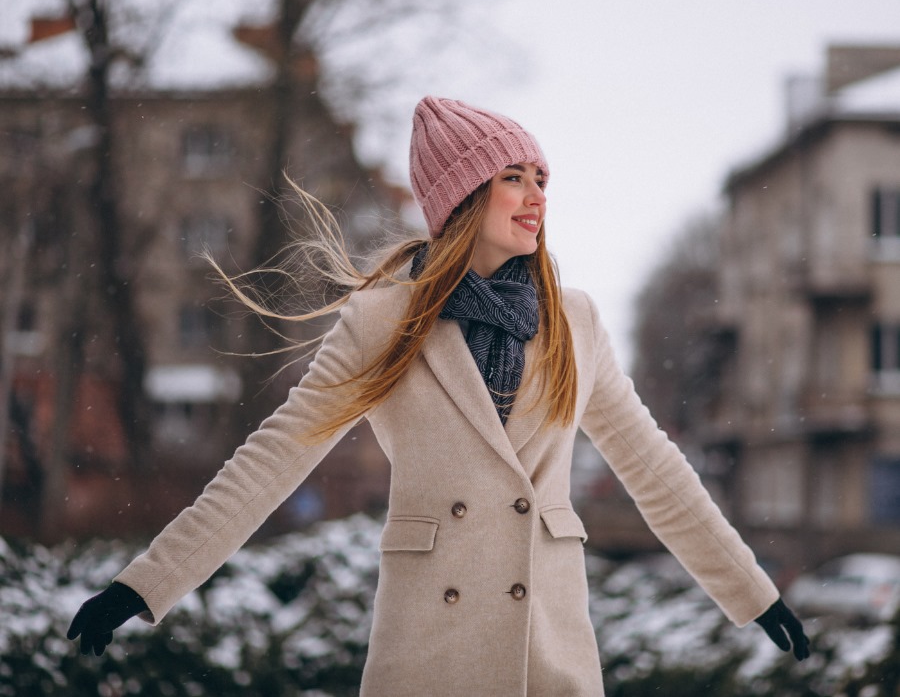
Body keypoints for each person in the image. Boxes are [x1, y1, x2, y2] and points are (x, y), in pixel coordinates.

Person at [67, 96, 809, 695]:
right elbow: (273, 460)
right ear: (464, 196)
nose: (535, 198)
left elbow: (654, 468)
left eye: (541, 179)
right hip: (428, 656)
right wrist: (146, 585)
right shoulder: (382, 322)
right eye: (513, 178)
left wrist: (752, 591)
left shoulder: (574, 321)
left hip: (546, 654)